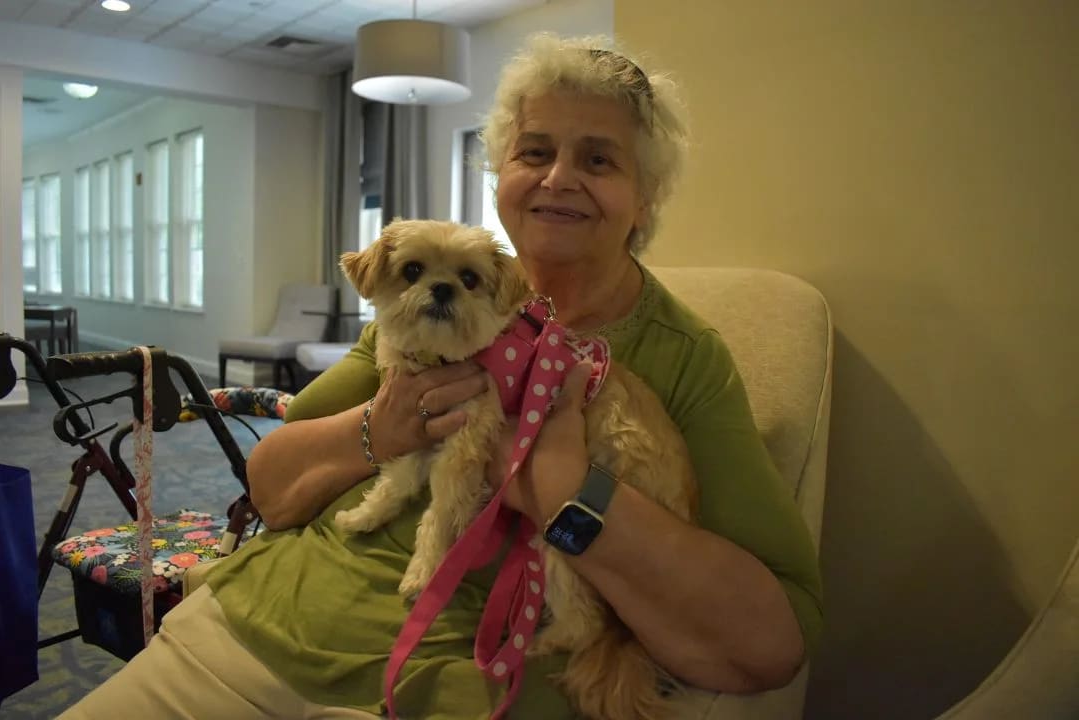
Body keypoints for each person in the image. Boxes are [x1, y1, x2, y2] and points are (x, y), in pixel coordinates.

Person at [59, 33, 822, 720]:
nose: (558, 177)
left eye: (598, 159)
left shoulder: (682, 355)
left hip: (441, 685)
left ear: (645, 196)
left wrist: (563, 491)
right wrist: (378, 429)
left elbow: (771, 642)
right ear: (501, 175)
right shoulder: (422, 313)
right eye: (534, 152)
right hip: (248, 623)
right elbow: (272, 486)